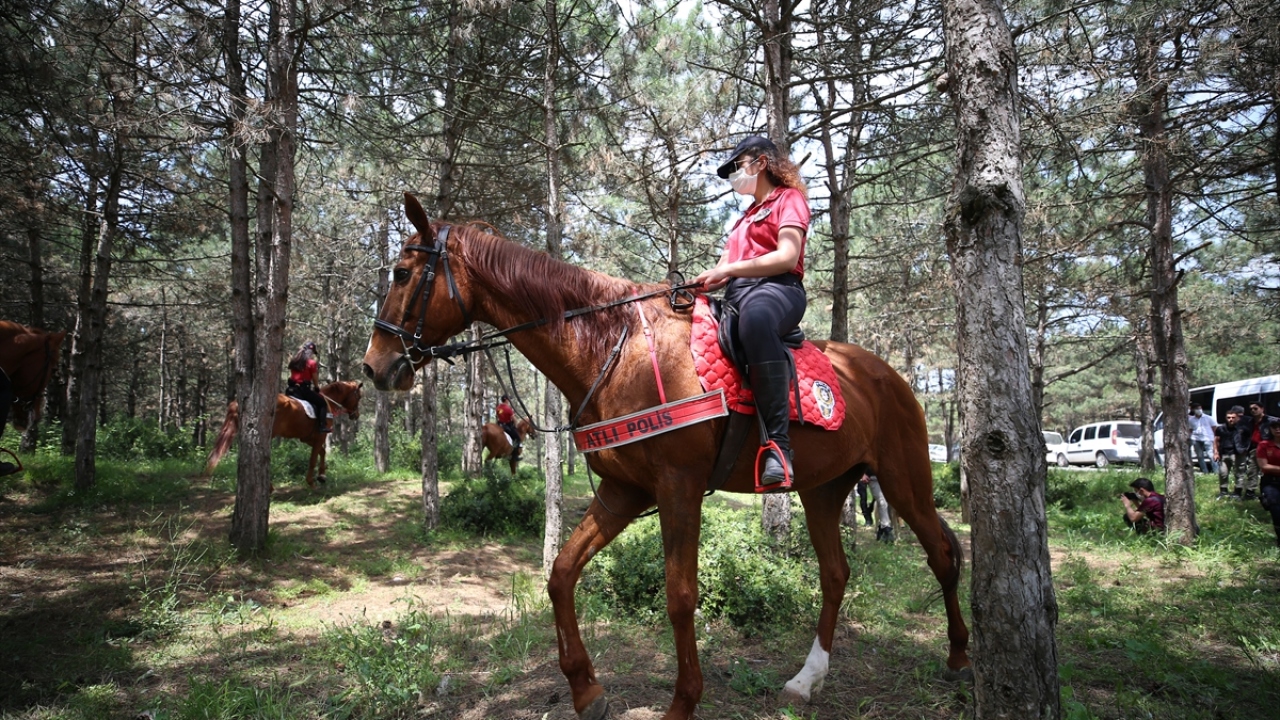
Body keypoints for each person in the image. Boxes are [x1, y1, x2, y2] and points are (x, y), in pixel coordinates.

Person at [696, 135, 810, 489]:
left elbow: (787, 256)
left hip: (778, 289)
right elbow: (721, 271)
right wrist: (692, 287)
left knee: (757, 320)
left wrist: (729, 271)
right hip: (737, 294)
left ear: (761, 163)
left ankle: (778, 445)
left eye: (736, 166)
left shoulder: (788, 199)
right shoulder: (743, 219)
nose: (733, 175)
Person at [1214, 406, 1256, 500]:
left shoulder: (1243, 429)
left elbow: (1249, 440)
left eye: (1233, 417)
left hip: (1238, 454)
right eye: (1228, 417)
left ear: (1237, 418)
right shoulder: (1221, 428)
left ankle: (1237, 493)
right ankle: (1223, 492)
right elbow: (1216, 440)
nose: (1230, 419)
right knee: (1223, 473)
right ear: (1226, 418)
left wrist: (1245, 450)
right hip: (1224, 454)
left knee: (1239, 474)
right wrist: (1216, 452)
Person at [286, 341, 328, 433]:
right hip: (303, 390)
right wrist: (317, 387)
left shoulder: (294, 361)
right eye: (313, 353)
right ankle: (322, 426)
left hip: (291, 390)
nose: (312, 355)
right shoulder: (311, 363)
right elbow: (314, 378)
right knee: (322, 403)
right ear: (311, 352)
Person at [1245, 401, 1279, 501]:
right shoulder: (1250, 421)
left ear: (1262, 409)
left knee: (1270, 469)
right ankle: (1250, 492)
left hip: (1269, 447)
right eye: (1251, 409)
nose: (1253, 411)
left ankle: (1269, 492)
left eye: (1255, 408)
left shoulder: (1271, 421)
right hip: (1255, 448)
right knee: (1252, 470)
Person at [1255, 423, 1280, 547]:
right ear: (1270, 429)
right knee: (1275, 510)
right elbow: (1264, 466)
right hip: (1271, 482)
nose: (1277, 429)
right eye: (1274, 427)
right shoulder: (1264, 445)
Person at [1188, 403, 1217, 474]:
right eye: (1197, 409)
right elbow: (1190, 430)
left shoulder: (1208, 418)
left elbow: (1214, 429)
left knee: (1211, 456)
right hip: (1196, 439)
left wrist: (1215, 439)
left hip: (1208, 438)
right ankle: (1205, 472)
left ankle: (1217, 472)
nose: (1199, 410)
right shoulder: (1191, 420)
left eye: (1199, 408)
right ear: (1193, 410)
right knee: (1200, 457)